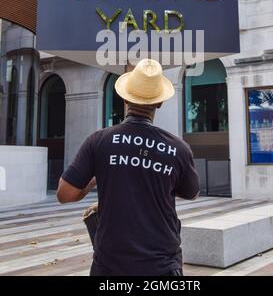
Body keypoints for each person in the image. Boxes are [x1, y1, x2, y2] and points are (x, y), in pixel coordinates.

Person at [57, 59, 200, 277]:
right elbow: (191, 193)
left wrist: (94, 181)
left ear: (125, 98)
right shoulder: (178, 149)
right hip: (161, 266)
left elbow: (65, 194)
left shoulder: (98, 141)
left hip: (110, 266)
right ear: (159, 103)